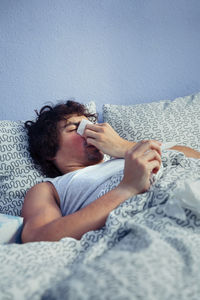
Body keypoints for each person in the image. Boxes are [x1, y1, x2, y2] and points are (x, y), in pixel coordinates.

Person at [21, 100, 200, 243]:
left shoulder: (129, 155)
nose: (91, 131)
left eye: (90, 125)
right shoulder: (49, 188)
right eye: (76, 128)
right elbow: (38, 236)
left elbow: (193, 156)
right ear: (49, 150)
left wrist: (123, 147)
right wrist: (126, 189)